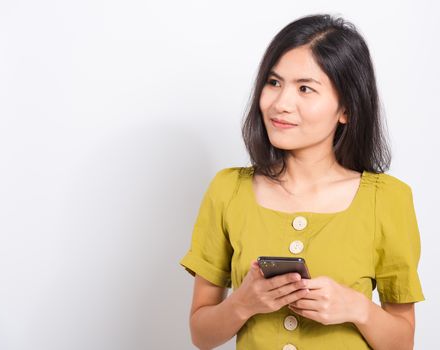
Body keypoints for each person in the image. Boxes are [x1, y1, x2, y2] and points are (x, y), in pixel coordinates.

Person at [180, 13, 425, 350]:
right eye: (273, 82)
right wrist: (243, 303)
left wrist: (357, 308)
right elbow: (201, 335)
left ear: (346, 109)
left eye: (305, 88)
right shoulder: (228, 190)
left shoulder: (388, 200)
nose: (280, 104)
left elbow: (402, 343)